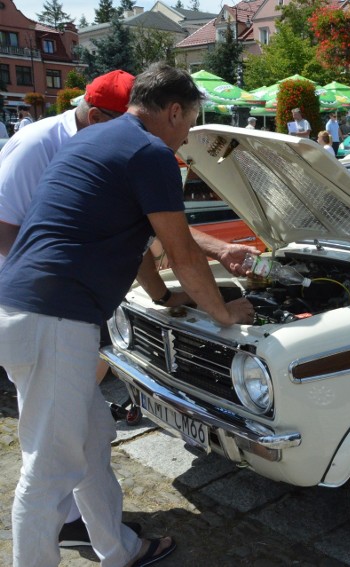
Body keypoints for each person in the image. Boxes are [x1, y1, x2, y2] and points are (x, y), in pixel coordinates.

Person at [0, 62, 255, 567]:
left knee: (94, 437)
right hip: (56, 317)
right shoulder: (150, 153)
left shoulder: (97, 139)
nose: (186, 137)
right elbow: (180, 250)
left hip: (31, 308)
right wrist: (224, 312)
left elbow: (136, 237)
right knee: (47, 472)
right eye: (188, 123)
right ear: (174, 111)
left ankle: (121, 550)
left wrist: (163, 298)